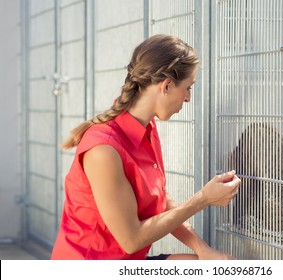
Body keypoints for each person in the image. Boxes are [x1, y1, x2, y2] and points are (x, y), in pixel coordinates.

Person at [51, 34, 241, 260]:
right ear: (167, 86)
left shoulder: (146, 127)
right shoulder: (103, 150)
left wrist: (203, 249)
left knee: (214, 266)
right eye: (188, 88)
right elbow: (132, 241)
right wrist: (202, 199)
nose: (188, 98)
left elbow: (161, 200)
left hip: (130, 262)